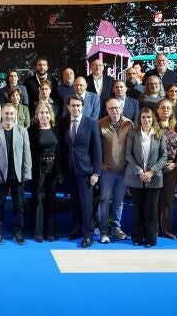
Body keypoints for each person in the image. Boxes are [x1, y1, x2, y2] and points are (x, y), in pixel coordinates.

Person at [60, 95, 102, 248]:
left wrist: (96, 172)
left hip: (86, 171)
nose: (75, 108)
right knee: (75, 202)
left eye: (78, 105)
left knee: (86, 204)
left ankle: (88, 233)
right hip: (70, 170)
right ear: (68, 107)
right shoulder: (63, 122)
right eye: (73, 105)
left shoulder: (91, 122)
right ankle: (77, 228)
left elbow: (97, 148)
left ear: (82, 106)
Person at [0, 104, 32, 245]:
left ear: (15, 115)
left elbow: (26, 154)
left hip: (17, 176)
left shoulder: (23, 131)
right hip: (0, 177)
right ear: (1, 114)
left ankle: (18, 231)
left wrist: (26, 173)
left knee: (18, 206)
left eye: (12, 114)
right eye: (6, 113)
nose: (9, 116)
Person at [124, 107, 167, 247]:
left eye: (149, 117)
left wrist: (151, 172)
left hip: (154, 178)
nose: (146, 120)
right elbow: (128, 154)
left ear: (152, 119)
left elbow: (164, 156)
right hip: (137, 178)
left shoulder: (159, 134)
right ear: (140, 119)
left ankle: (150, 239)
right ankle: (137, 237)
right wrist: (140, 172)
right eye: (143, 117)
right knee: (138, 209)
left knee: (151, 211)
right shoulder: (133, 133)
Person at [97, 98, 133, 243]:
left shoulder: (129, 123)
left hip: (124, 170)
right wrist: (99, 163)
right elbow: (95, 146)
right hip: (107, 170)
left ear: (121, 108)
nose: (114, 111)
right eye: (111, 108)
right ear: (107, 110)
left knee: (119, 201)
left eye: (117, 108)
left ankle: (116, 228)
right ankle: (103, 230)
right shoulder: (100, 124)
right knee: (105, 200)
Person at [28, 102, 60, 242]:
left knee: (51, 199)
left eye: (47, 113)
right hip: (37, 169)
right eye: (41, 113)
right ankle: (38, 232)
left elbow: (61, 152)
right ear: (37, 115)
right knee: (38, 199)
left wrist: (60, 172)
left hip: (53, 169)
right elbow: (28, 152)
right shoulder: (32, 130)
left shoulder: (56, 130)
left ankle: (51, 232)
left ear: (50, 115)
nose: (44, 115)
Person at [156, 99, 177, 240]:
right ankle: (154, 228)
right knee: (154, 199)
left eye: (168, 108)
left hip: (171, 168)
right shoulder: (152, 126)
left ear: (171, 110)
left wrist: (175, 163)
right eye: (162, 108)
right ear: (158, 110)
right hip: (155, 168)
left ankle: (166, 229)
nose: (165, 110)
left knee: (168, 200)